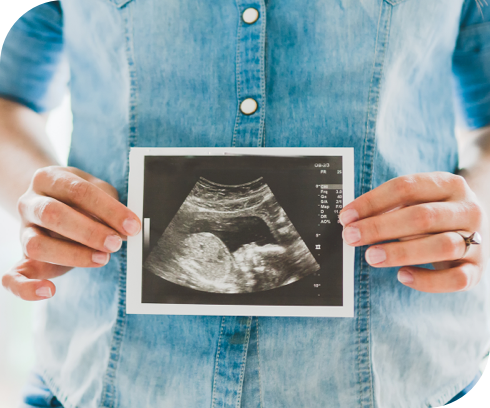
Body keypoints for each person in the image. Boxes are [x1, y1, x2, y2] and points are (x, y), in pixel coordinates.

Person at [1, 1, 490, 407]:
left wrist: (473, 207)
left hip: (417, 378)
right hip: (96, 376)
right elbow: (8, 98)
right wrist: (43, 194)